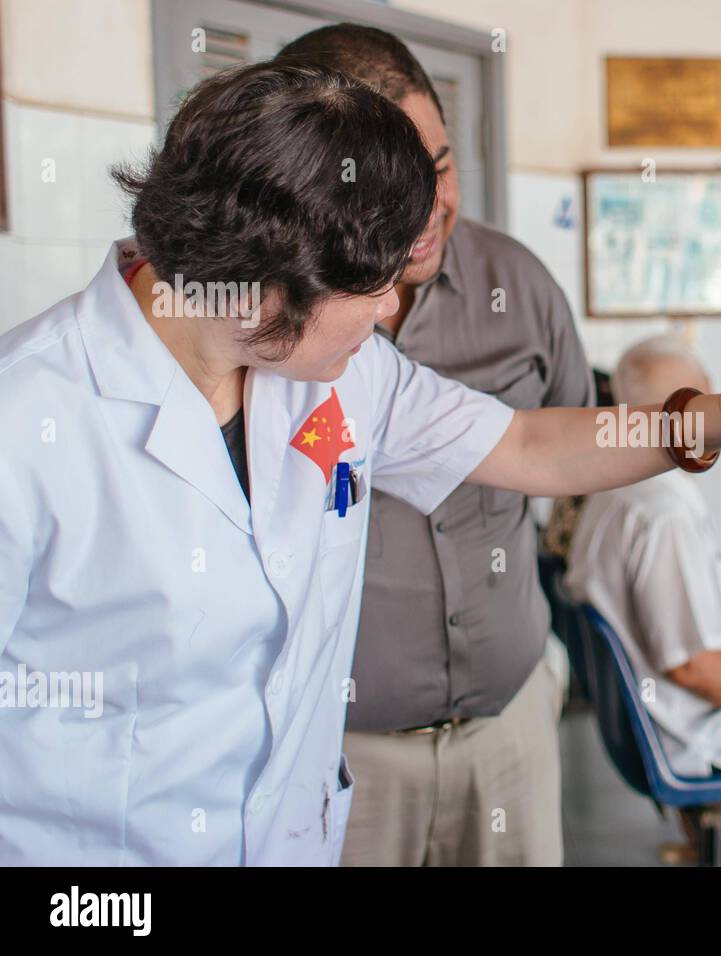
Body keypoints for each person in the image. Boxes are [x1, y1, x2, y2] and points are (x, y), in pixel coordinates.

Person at [0, 59, 721, 865]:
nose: (389, 310)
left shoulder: (337, 374)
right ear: (262, 283)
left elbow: (525, 445)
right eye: (372, 290)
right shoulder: (29, 423)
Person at [276, 23, 593, 867]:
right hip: (345, 754)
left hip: (509, 732)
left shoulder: (518, 285)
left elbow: (554, 441)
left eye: (441, 166)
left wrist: (698, 421)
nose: (428, 207)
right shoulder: (268, 330)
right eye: (393, 181)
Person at [564, 336, 721, 866]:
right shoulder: (661, 513)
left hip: (689, 718)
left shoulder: (617, 486)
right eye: (698, 401)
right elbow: (695, 668)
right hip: (704, 734)